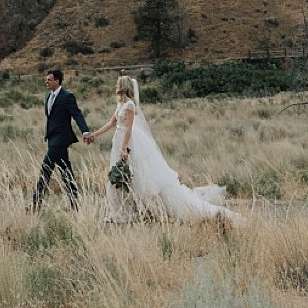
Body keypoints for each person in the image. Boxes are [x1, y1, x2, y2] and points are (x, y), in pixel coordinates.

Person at [84, 75, 240, 223]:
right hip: (117, 141)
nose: (115, 86)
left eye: (118, 84)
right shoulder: (120, 105)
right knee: (117, 176)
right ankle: (122, 212)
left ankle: (145, 210)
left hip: (127, 142)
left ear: (123, 86)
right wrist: (94, 135)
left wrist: (124, 148)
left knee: (134, 176)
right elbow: (112, 123)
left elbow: (129, 128)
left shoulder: (130, 105)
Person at [33, 68, 89, 210]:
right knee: (66, 172)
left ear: (57, 81)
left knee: (45, 170)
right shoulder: (48, 96)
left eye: (49, 80)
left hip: (60, 139)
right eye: (46, 80)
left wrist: (85, 131)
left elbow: (77, 114)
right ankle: (75, 202)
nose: (46, 82)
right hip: (52, 139)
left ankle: (36, 203)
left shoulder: (67, 96)